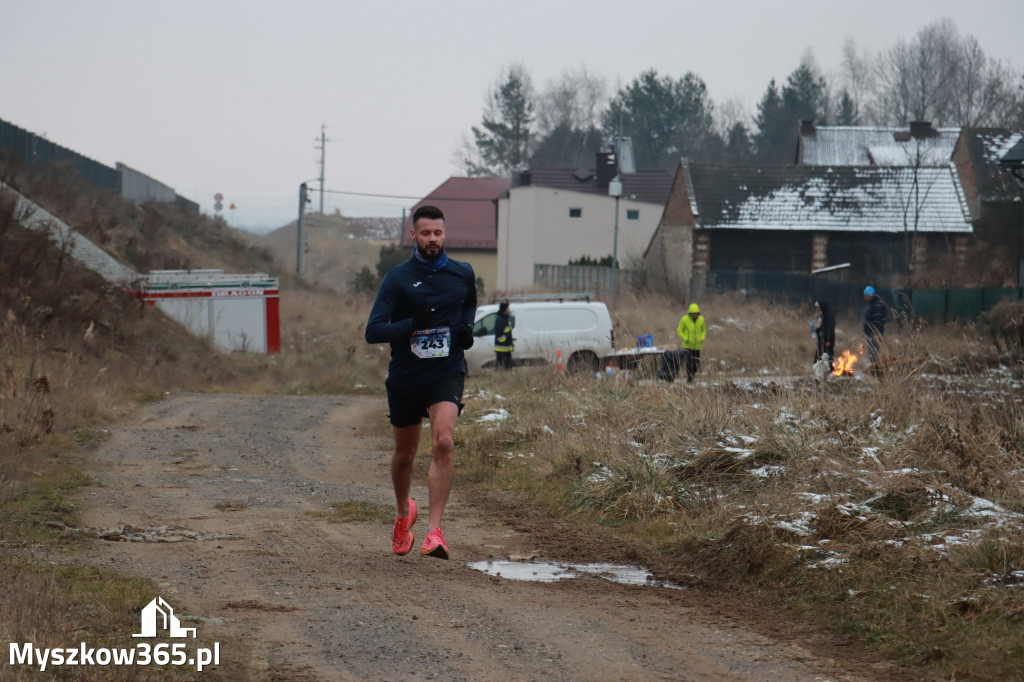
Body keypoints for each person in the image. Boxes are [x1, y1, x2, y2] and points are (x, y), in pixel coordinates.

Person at [365, 205, 477, 560]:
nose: (433, 239)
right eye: (426, 233)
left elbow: (470, 303)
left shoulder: (463, 273)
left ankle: (434, 531)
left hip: (446, 370)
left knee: (444, 440)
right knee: (404, 456)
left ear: (445, 234)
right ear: (413, 235)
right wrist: (409, 325)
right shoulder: (397, 278)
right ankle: (403, 515)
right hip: (406, 375)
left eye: (438, 233)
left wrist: (467, 328)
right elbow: (373, 331)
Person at [676, 303, 706, 382]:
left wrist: (701, 338)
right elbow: (679, 330)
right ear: (690, 313)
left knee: (696, 362)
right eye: (692, 313)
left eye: (695, 313)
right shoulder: (684, 319)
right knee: (689, 362)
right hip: (687, 345)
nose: (694, 315)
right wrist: (686, 338)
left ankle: (693, 374)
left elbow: (703, 330)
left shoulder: (701, 319)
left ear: (698, 313)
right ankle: (690, 377)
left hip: (697, 345)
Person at [862, 286, 887, 364]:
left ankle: (875, 369)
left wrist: (877, 334)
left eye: (865, 296)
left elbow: (879, 321)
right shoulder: (874, 304)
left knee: (874, 353)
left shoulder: (878, 305)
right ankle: (874, 368)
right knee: (872, 352)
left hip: (874, 334)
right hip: (871, 333)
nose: (864, 298)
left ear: (870, 295)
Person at [812, 300, 836, 371]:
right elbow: (822, 327)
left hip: (827, 339)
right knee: (822, 353)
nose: (817, 309)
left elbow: (830, 328)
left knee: (827, 354)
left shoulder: (829, 315)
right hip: (823, 338)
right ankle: (819, 369)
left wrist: (828, 340)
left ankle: (830, 369)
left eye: (818, 307)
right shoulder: (823, 315)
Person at [494, 301, 514, 370]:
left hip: (506, 349)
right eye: (508, 308)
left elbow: (507, 334)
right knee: (502, 368)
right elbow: (499, 336)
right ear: (504, 310)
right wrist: (506, 342)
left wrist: (511, 342)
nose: (509, 310)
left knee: (508, 368)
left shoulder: (505, 319)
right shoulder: (500, 320)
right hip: (502, 349)